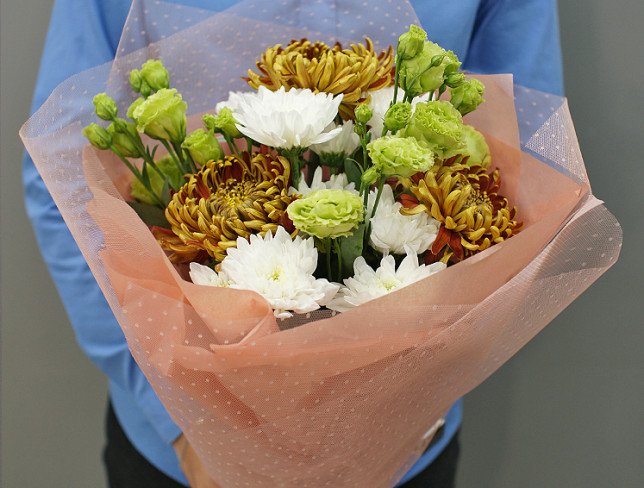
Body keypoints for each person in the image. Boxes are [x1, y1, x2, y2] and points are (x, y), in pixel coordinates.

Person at [23, 1, 563, 487]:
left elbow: (532, 162)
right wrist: (183, 427)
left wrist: (415, 407)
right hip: (182, 455)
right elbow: (63, 175)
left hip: (406, 448)